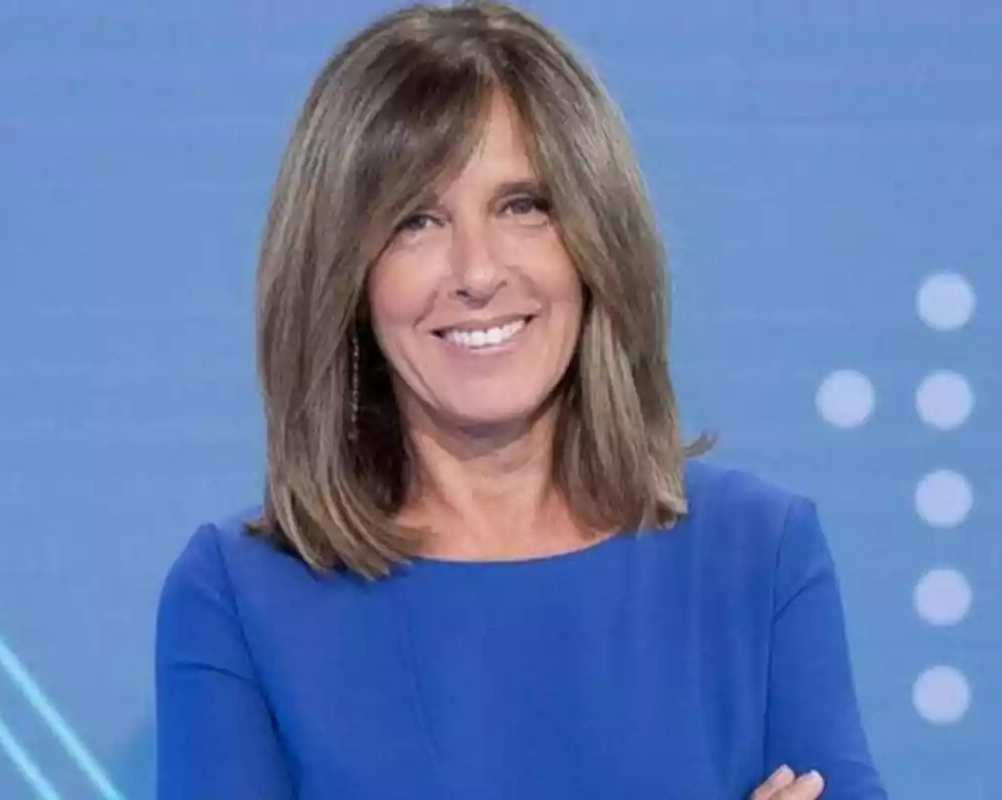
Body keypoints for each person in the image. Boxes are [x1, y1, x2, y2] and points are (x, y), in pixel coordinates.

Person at [154, 2, 888, 798]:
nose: (477, 271)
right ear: (346, 275)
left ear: (594, 239)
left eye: (524, 206)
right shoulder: (240, 597)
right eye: (415, 220)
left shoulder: (759, 556)